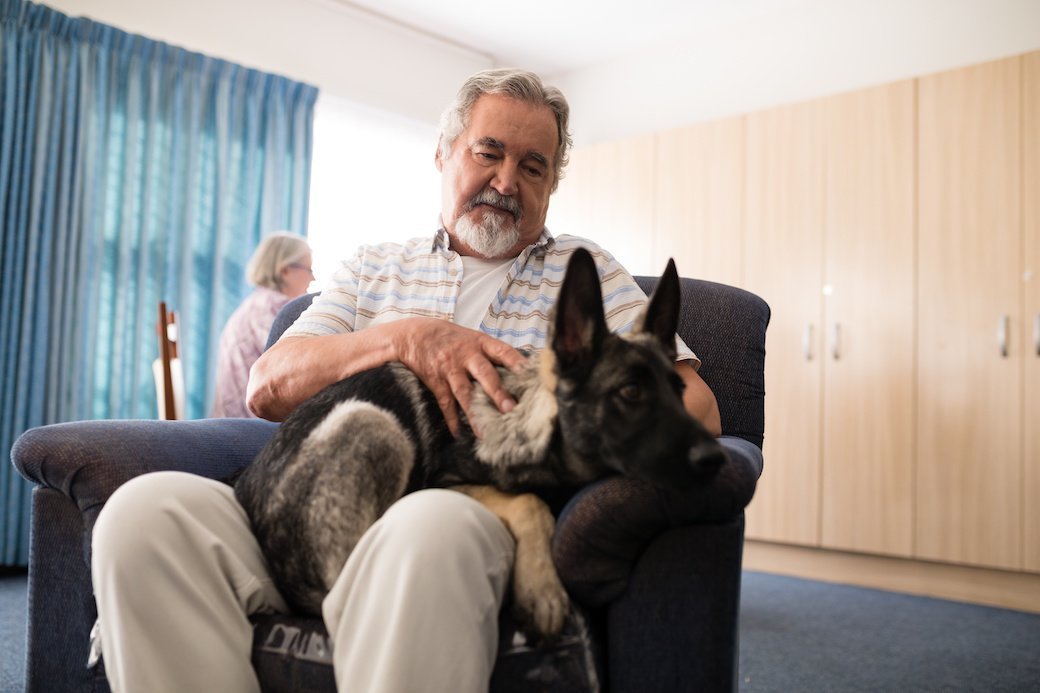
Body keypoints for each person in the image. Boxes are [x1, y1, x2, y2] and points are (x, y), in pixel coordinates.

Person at [91, 68, 721, 693]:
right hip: (300, 494)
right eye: (489, 152)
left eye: (533, 167)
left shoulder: (586, 272)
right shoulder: (373, 267)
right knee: (142, 515)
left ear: (551, 188)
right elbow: (269, 384)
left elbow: (696, 409)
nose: (506, 180)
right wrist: (404, 337)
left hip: (466, 509)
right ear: (443, 154)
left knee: (429, 529)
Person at [211, 232, 314, 418]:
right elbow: (292, 368)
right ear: (285, 270)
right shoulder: (273, 307)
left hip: (232, 419)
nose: (312, 279)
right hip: (248, 426)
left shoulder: (256, 303)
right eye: (309, 270)